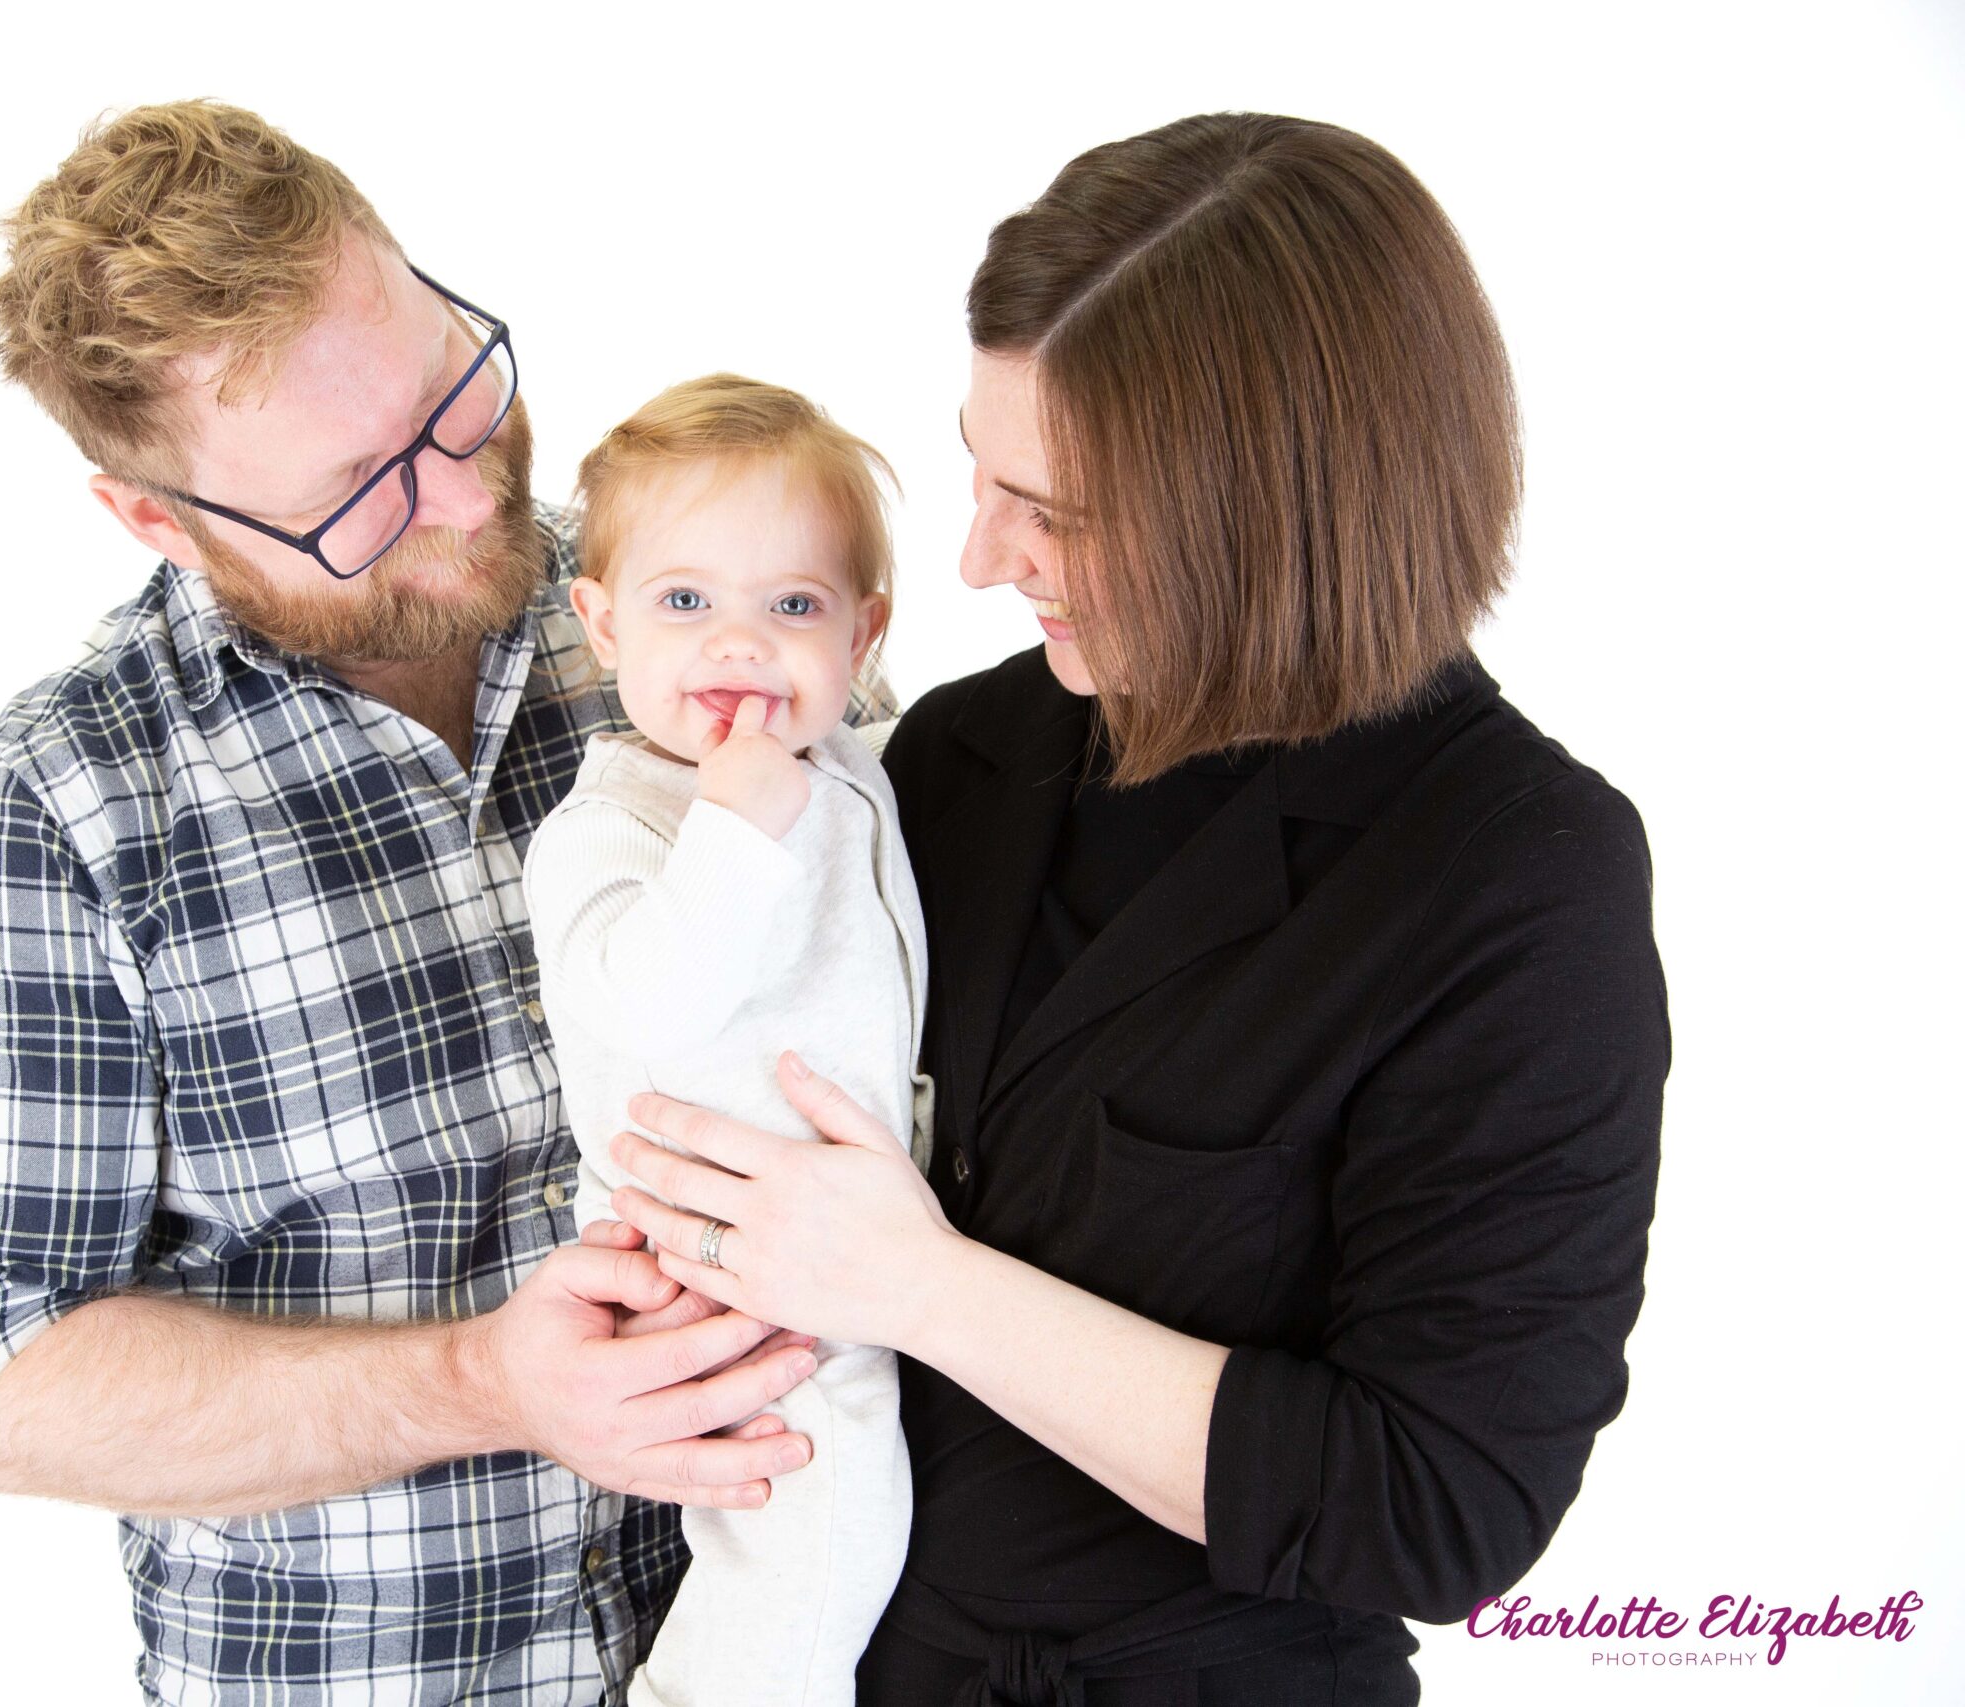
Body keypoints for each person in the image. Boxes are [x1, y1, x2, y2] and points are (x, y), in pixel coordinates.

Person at [603, 113, 1671, 1705]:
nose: (978, 557)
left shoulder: (1516, 870)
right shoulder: (965, 752)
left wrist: (920, 1284)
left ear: (1273, 509)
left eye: (1059, 511)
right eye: (980, 472)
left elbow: (1440, 1508)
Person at [0, 101, 894, 1705]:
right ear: (157, 518)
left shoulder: (698, 612)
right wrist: (483, 1382)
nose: (469, 498)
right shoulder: (57, 808)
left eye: (455, 396)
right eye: (361, 488)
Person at [526, 375, 932, 1707]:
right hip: (723, 1272)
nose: (741, 647)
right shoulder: (616, 825)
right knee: (816, 1537)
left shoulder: (854, 772)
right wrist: (735, 828)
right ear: (599, 622)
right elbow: (646, 999)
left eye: (795, 606)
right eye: (686, 601)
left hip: (843, 1248)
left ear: (864, 632)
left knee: (835, 1538)